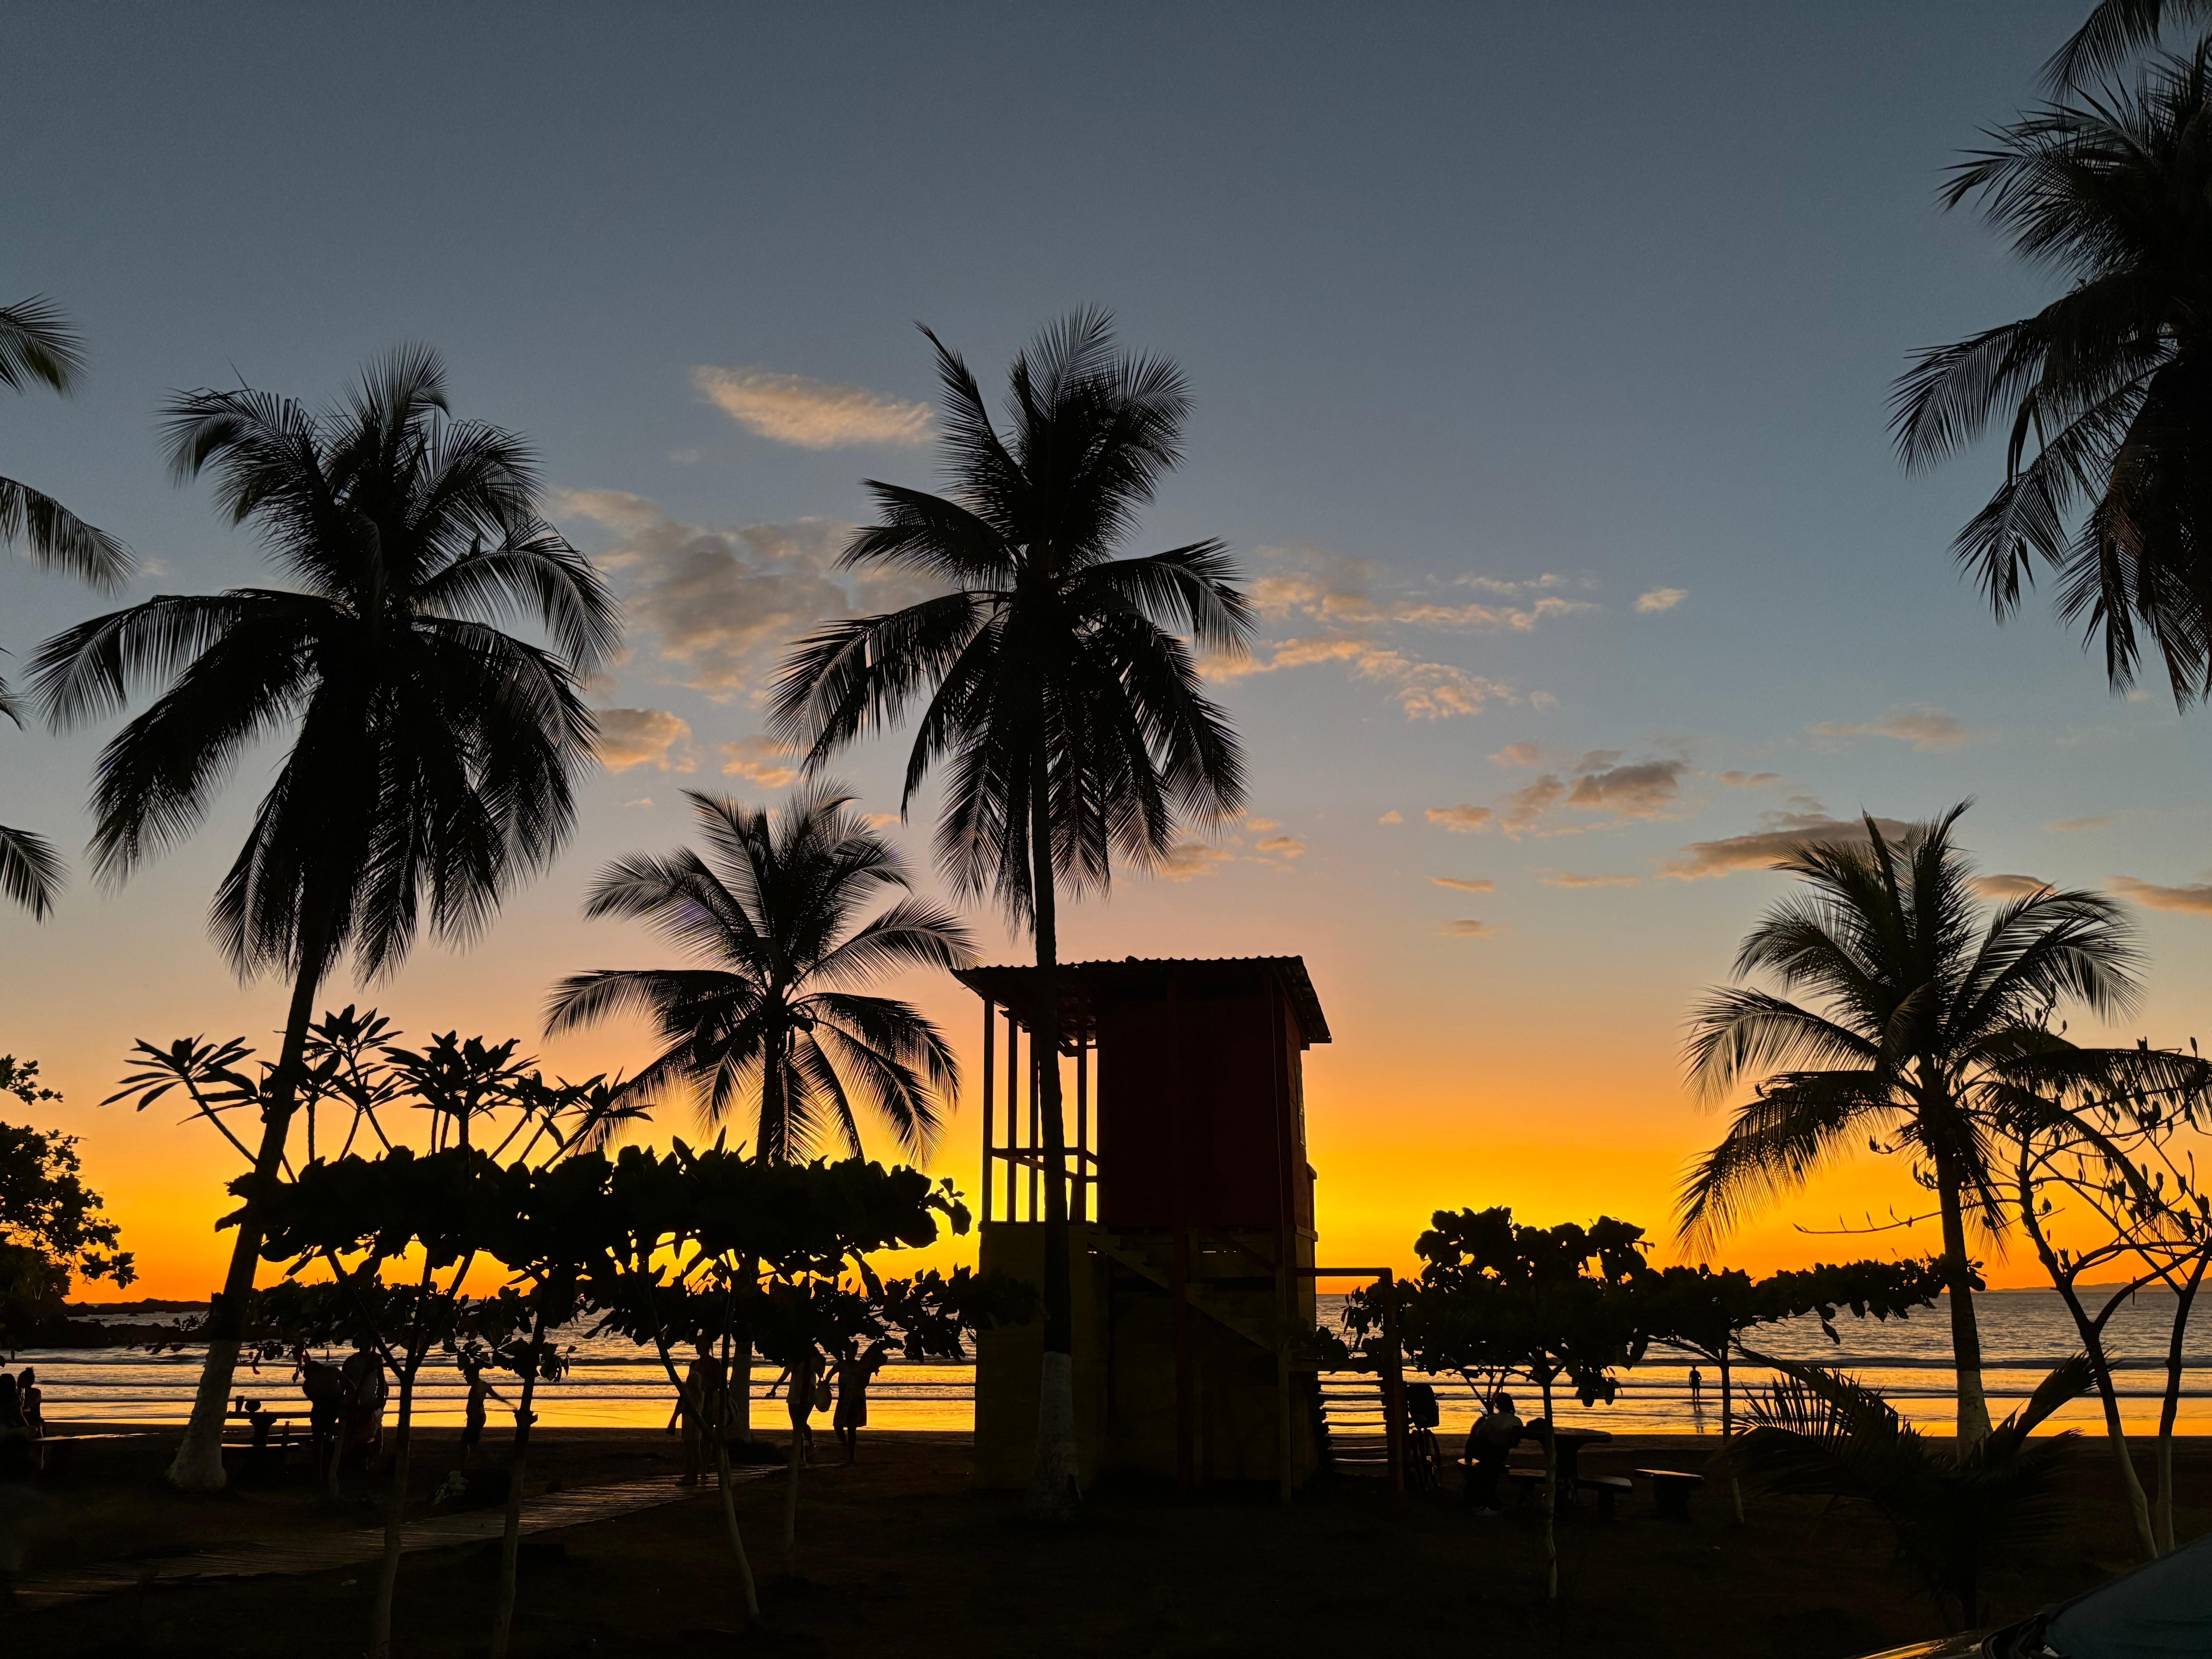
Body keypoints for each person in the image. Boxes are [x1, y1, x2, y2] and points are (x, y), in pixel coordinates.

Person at [666, 1337, 726, 1486]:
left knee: (706, 1437)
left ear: (708, 1345)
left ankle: (703, 1470)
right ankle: (692, 1472)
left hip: (707, 1404)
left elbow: (718, 1384)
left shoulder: (715, 1364)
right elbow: (689, 1387)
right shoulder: (694, 1364)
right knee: (693, 1441)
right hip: (695, 1404)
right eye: (697, 1345)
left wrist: (703, 1385)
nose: (697, 1347)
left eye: (700, 1345)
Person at [830, 1340, 890, 1464]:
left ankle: (851, 1456)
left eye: (851, 1352)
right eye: (847, 1352)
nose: (848, 1354)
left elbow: (865, 1384)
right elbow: (829, 1375)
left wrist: (868, 1372)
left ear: (855, 1353)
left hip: (856, 1400)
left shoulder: (861, 1366)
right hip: (844, 1399)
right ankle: (845, 1446)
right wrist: (824, 1384)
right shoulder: (841, 1365)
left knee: (852, 1429)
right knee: (838, 1425)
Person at [1463, 1390, 1522, 1511]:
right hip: (1502, 1455)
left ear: (1498, 1405)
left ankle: (1468, 1466)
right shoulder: (1517, 1421)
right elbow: (1515, 1444)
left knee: (1474, 1435)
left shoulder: (1493, 1418)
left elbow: (1481, 1434)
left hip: (1486, 1454)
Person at [460, 1362, 508, 1468]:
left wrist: (508, 1404)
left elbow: (494, 1397)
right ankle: (473, 1462)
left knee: (469, 1442)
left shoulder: (480, 1386)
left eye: (467, 1376)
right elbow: (496, 1396)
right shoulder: (481, 1385)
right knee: (471, 1442)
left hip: (477, 1417)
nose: (466, 1378)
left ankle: (477, 1462)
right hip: (475, 1417)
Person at [16, 1369, 42, 1472]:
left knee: (38, 1429)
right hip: (20, 1418)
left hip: (34, 1419)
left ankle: (40, 1458)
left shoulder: (36, 1392)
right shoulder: (16, 1393)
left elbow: (30, 1405)